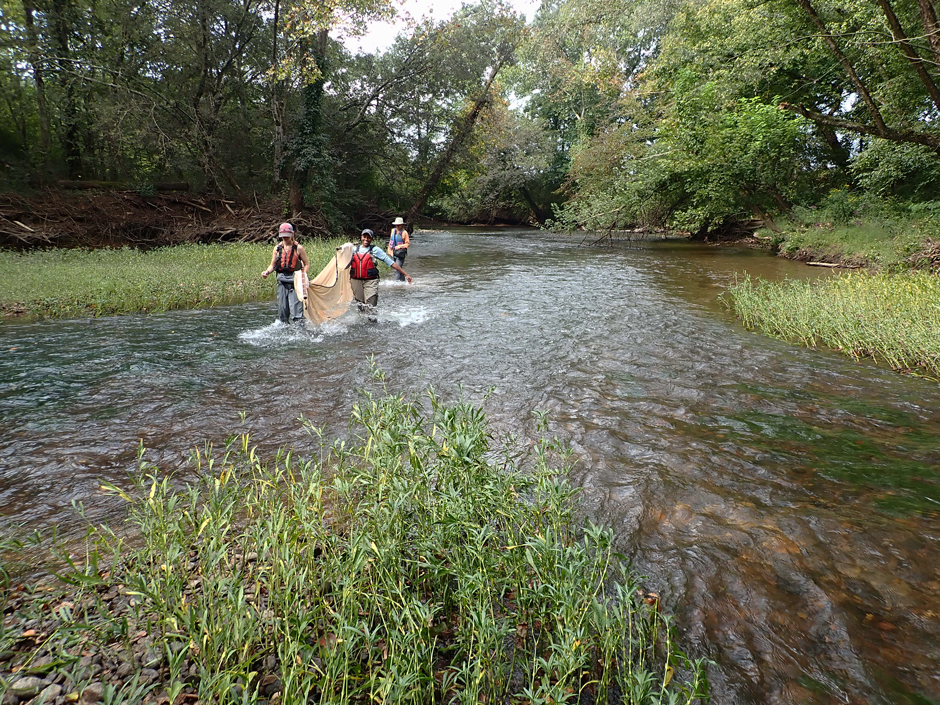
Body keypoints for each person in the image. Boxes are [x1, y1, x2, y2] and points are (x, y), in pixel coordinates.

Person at [350, 228, 412, 319]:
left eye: (368, 237)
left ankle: (373, 326)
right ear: (361, 237)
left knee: (370, 305)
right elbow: (341, 261)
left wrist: (406, 274)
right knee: (360, 306)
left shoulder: (375, 250)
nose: (366, 239)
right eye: (364, 237)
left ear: (371, 239)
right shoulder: (353, 250)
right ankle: (363, 328)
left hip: (371, 281)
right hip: (356, 281)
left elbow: (390, 263)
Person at [261, 223, 310, 324]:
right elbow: (272, 265)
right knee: (283, 313)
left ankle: (300, 332)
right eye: (283, 237)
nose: (285, 239)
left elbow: (306, 264)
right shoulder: (277, 249)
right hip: (281, 281)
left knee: (297, 313)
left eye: (287, 236)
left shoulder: (299, 248)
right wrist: (267, 272)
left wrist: (303, 276)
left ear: (292, 234)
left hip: (295, 282)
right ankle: (285, 331)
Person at [386, 216, 411, 282]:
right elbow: (391, 241)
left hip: (400, 254)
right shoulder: (392, 231)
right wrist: (389, 251)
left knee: (397, 269)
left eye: (399, 225)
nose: (397, 226)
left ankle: (395, 284)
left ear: (402, 225)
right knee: (399, 269)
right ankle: (403, 283)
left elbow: (408, 244)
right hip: (393, 253)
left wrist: (400, 246)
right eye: (396, 225)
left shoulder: (404, 233)